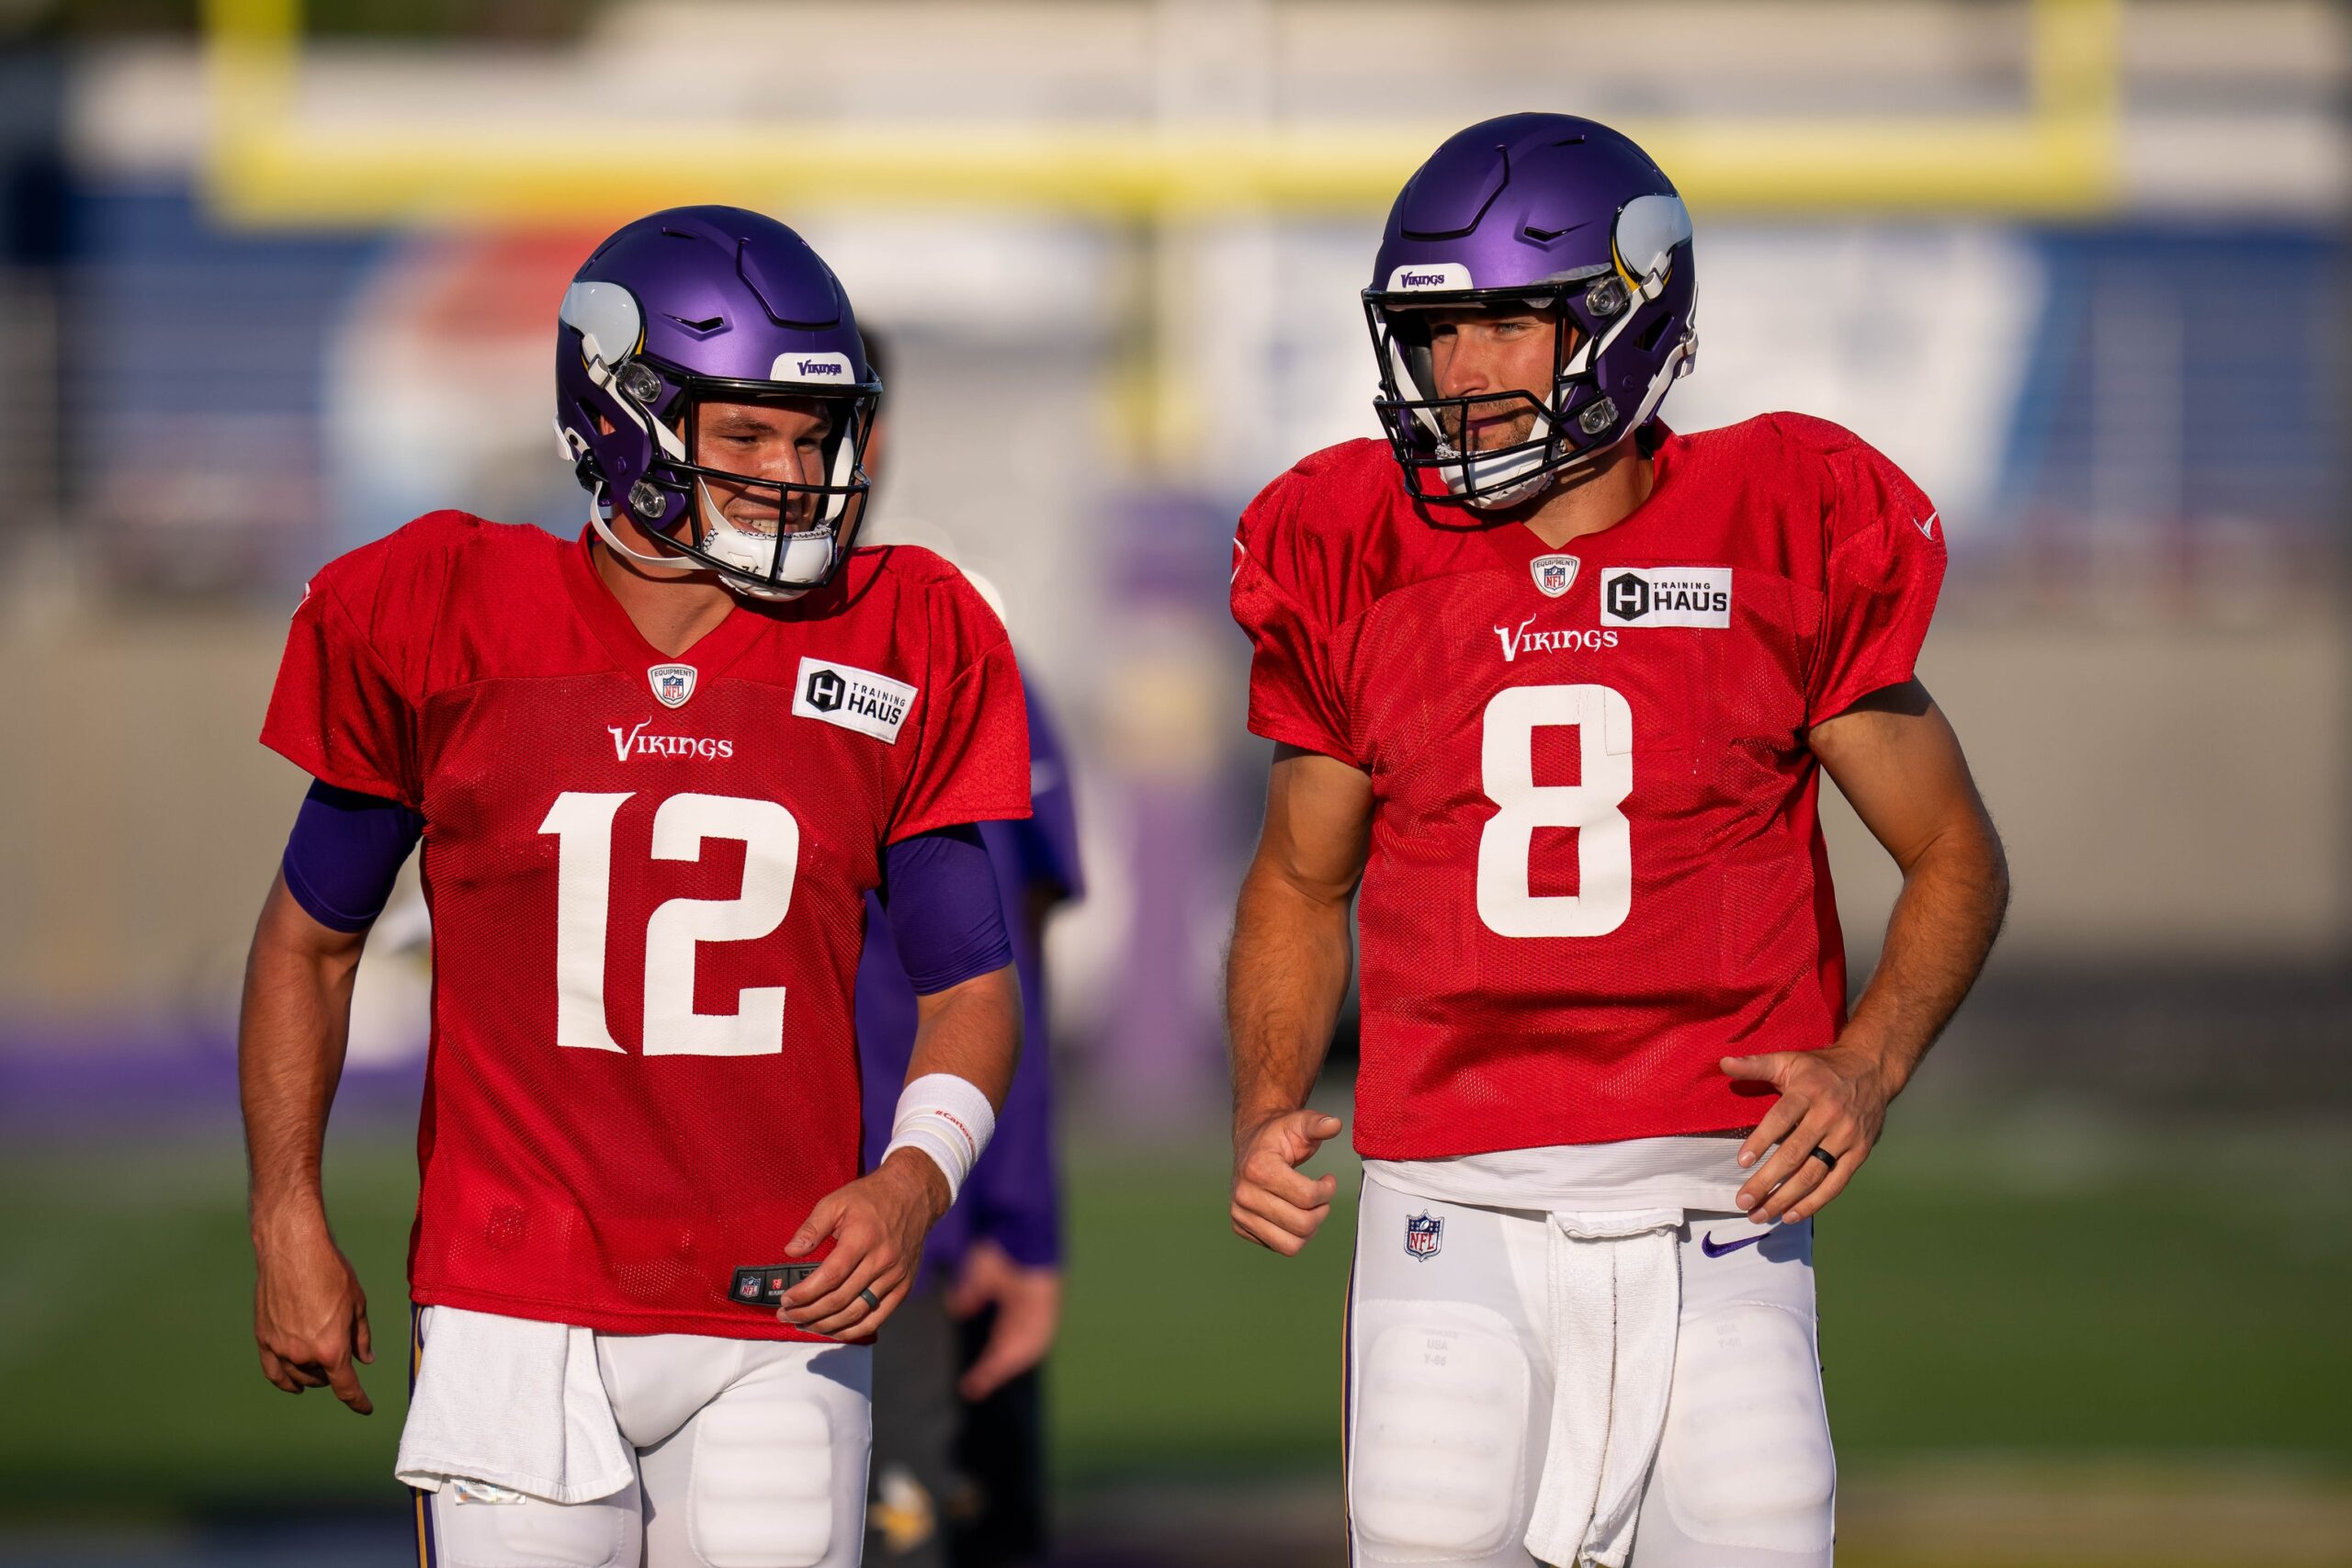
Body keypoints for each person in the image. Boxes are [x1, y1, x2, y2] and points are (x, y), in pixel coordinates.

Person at [1223, 115, 2009, 1568]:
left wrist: (1872, 1063)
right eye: (1436, 332)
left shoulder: (1784, 522)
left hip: (1723, 1203)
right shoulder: (1356, 541)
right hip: (1447, 1201)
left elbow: (1954, 850)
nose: (1459, 373)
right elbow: (1296, 874)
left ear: (1631, 314)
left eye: (1506, 325)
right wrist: (1268, 1092)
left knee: (1761, 1524)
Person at [238, 205, 1030, 1568]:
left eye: (811, 433)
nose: (793, 471)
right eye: (747, 433)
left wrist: (912, 1183)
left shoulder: (903, 633)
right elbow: (310, 945)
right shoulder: (445, 613)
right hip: (514, 1303)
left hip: (784, 1299)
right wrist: (288, 1212)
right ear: (620, 416)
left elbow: (969, 986)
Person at [850, 330, 1081, 1568]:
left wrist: (1014, 1219)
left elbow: (1004, 985)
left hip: (893, 1225)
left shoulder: (938, 653)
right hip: (649, 1240)